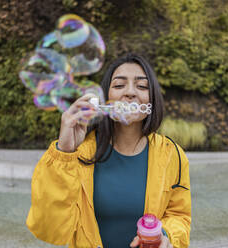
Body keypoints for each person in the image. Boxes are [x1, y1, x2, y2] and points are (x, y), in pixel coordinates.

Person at [26, 53, 191, 248]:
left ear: (152, 98)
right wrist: (65, 151)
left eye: (142, 86)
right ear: (105, 98)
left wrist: (165, 236)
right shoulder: (78, 153)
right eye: (119, 85)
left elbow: (179, 215)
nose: (130, 92)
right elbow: (49, 229)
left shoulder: (172, 154)